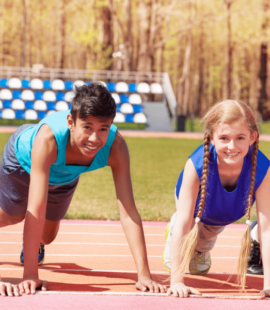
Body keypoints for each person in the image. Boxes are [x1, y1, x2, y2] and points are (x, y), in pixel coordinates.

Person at [0, 83, 166, 296]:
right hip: (23, 164)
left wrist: (144, 276)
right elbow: (36, 208)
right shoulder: (48, 139)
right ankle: (29, 253)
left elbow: (128, 211)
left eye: (103, 129)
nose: (94, 139)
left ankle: (34, 246)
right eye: (87, 127)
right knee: (13, 216)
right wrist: (30, 274)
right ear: (71, 122)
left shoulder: (116, 147)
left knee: (48, 236)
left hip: (65, 175)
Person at [162, 100, 270, 298]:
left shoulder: (263, 168)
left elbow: (267, 227)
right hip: (196, 210)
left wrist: (269, 284)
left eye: (240, 138)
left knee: (206, 237)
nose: (232, 146)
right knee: (186, 227)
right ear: (212, 138)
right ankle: (176, 232)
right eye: (224, 138)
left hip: (229, 211)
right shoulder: (196, 165)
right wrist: (176, 281)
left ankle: (201, 248)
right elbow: (186, 220)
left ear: (252, 137)